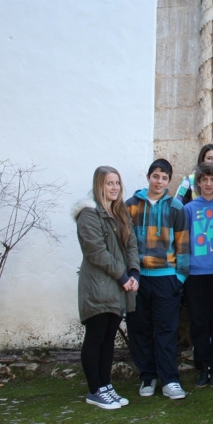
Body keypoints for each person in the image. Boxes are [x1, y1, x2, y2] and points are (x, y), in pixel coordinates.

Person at [74, 166, 142, 409]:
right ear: (98, 186)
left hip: (118, 285)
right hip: (99, 286)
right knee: (96, 337)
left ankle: (104, 385)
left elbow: (131, 244)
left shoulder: (120, 212)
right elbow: (96, 252)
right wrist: (122, 276)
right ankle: (95, 388)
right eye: (109, 183)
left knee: (109, 338)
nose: (114, 188)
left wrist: (133, 272)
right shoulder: (89, 215)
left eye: (116, 183)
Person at [125, 159, 189, 400]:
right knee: (139, 329)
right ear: (149, 177)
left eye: (164, 177)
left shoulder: (175, 208)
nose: (159, 181)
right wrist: (129, 274)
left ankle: (170, 380)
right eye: (156, 176)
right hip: (137, 279)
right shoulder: (130, 206)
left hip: (166, 279)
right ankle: (147, 376)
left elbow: (183, 246)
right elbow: (124, 244)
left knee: (166, 331)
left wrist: (180, 277)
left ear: (169, 181)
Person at [182, 163, 213, 389]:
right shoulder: (190, 209)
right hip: (196, 273)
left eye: (212, 180)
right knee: (199, 322)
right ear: (198, 182)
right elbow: (183, 241)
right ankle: (202, 367)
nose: (208, 184)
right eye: (204, 180)